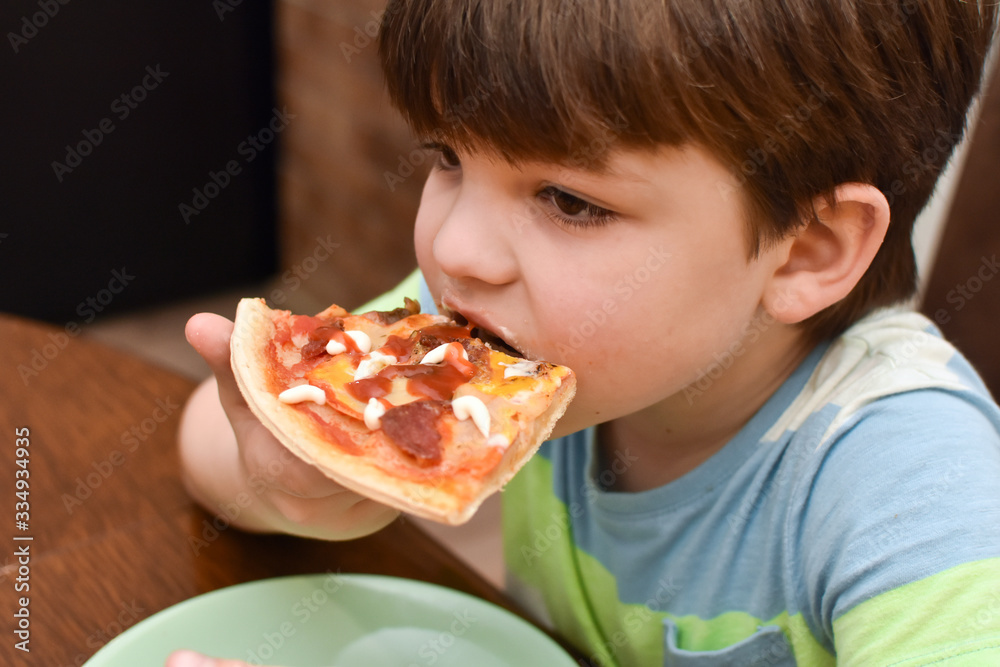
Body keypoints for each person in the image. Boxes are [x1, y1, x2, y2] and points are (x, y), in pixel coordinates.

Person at [167, 1, 1000, 665]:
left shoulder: (923, 493)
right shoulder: (489, 360)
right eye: (449, 155)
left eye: (570, 201)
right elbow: (207, 440)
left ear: (806, 250)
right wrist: (295, 485)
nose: (455, 247)